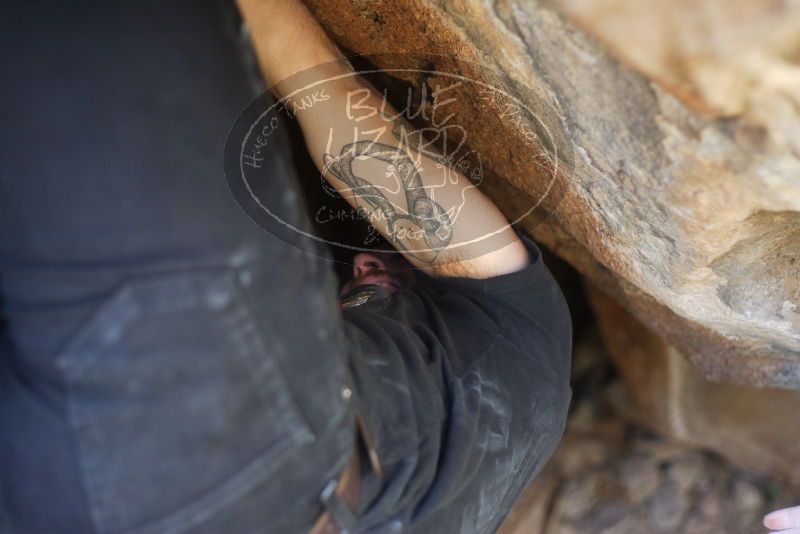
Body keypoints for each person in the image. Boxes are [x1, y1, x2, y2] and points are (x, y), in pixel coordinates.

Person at [0, 1, 571, 533]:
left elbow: (346, 123)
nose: (367, 261)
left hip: (217, 438)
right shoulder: (522, 341)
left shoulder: (510, 365)